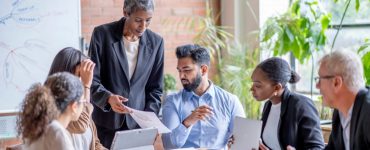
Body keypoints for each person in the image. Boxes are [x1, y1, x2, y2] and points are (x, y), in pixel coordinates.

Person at [88, 0, 164, 147]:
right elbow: (92, 80)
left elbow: (155, 88)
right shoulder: (102, 35)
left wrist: (148, 120)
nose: (143, 26)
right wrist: (108, 98)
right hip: (106, 124)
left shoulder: (156, 42)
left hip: (138, 127)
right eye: (138, 20)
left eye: (148, 20)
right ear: (125, 12)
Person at [162, 44, 245, 149]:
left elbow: (243, 140)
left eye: (187, 70)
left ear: (204, 70)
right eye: (179, 70)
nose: (181, 76)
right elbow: (169, 146)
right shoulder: (172, 101)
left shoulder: (230, 101)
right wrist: (187, 122)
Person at [250, 57, 324, 150]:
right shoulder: (268, 105)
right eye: (252, 84)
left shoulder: (301, 105)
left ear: (277, 88)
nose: (251, 89)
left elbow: (317, 148)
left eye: (257, 85)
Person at [48, 47, 106, 150]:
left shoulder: (80, 102)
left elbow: (95, 144)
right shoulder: (52, 106)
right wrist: (86, 85)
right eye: (81, 75)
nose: (83, 79)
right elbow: (81, 126)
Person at [316, 50, 370, 150]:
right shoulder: (339, 111)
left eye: (320, 79)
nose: (317, 86)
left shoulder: (367, 111)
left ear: (337, 82)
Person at [18, 72, 85, 150]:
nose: (84, 105)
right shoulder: (55, 131)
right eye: (83, 101)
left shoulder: (39, 126)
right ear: (74, 106)